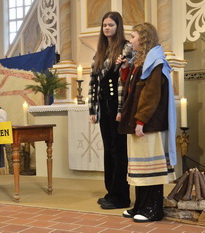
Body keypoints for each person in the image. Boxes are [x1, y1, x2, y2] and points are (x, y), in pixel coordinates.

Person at [117, 22, 177, 222]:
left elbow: (150, 95)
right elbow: (132, 90)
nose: (130, 40)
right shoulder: (140, 61)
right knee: (139, 169)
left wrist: (141, 120)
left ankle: (154, 209)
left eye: (133, 37)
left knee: (151, 169)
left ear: (143, 39)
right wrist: (125, 69)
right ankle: (140, 206)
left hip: (149, 124)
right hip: (139, 122)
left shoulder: (155, 62)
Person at [88, 11, 132, 209]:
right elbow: (94, 82)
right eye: (104, 25)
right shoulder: (100, 50)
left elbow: (127, 76)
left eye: (110, 25)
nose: (107, 28)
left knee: (118, 151)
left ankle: (121, 196)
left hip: (117, 106)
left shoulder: (126, 47)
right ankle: (110, 191)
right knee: (108, 150)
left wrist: (121, 109)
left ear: (118, 27)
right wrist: (92, 109)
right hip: (104, 107)